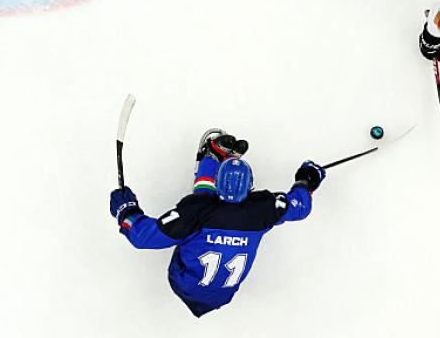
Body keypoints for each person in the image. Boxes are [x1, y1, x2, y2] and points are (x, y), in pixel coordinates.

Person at [109, 130, 325, 317]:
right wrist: (306, 181)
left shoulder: (196, 212)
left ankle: (211, 158)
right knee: (206, 206)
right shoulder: (264, 209)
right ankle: (215, 160)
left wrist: (126, 210)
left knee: (203, 200)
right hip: (224, 295)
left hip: (183, 284)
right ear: (250, 186)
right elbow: (300, 206)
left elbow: (142, 236)